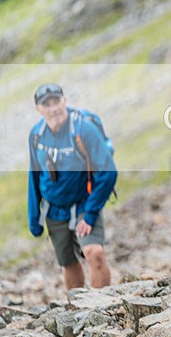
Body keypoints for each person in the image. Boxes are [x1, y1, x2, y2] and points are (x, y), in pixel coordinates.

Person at [27, 83, 117, 290]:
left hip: (84, 204)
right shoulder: (36, 135)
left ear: (64, 101)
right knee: (68, 263)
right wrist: (34, 217)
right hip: (54, 210)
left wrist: (91, 213)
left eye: (56, 101)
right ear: (38, 109)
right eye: (47, 104)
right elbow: (34, 176)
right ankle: (77, 306)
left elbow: (108, 172)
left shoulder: (84, 129)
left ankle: (103, 305)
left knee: (95, 253)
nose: (53, 108)